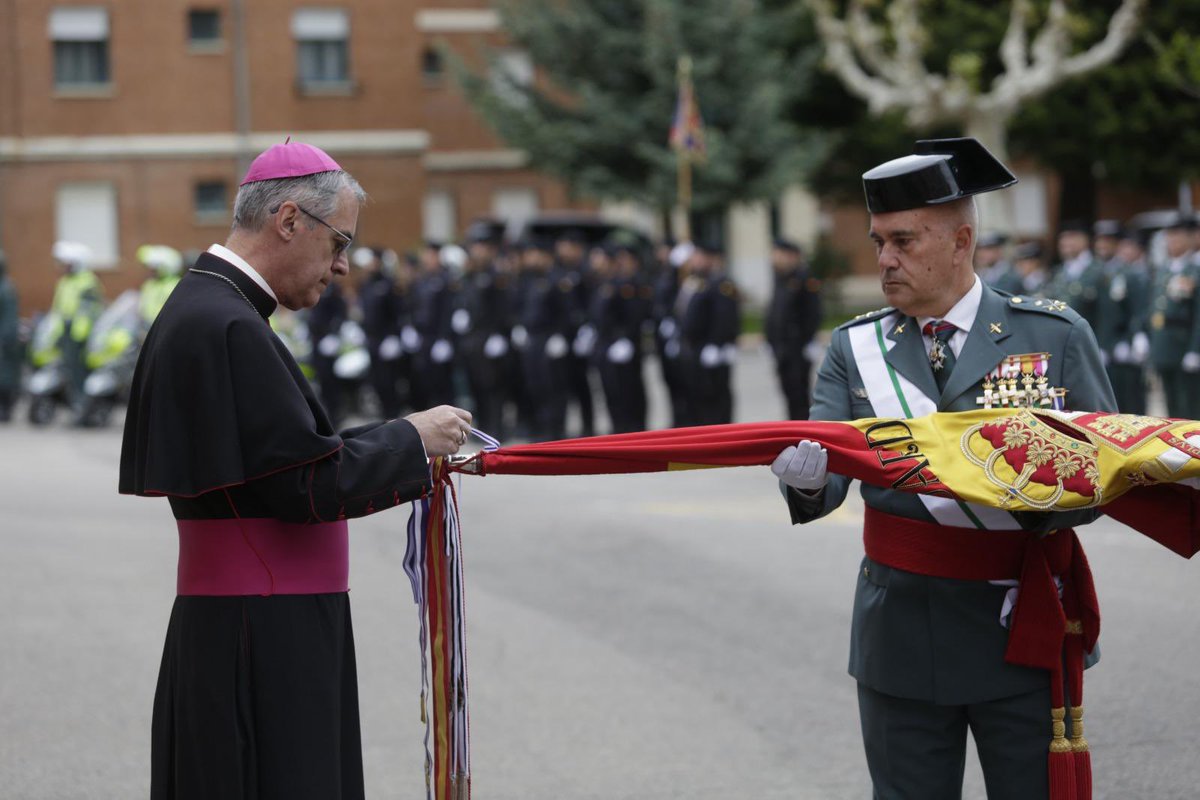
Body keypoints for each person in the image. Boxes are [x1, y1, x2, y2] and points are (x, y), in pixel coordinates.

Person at [118, 141, 473, 800]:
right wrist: (409, 439)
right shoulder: (228, 324)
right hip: (263, 633)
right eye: (338, 242)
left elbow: (287, 455)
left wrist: (402, 437)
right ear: (289, 221)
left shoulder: (211, 310)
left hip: (250, 622)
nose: (341, 266)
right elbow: (302, 486)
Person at [771, 138, 1116, 799]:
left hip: (1018, 624)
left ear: (961, 241)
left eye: (904, 240)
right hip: (902, 629)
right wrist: (807, 479)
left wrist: (1032, 486)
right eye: (877, 242)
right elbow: (827, 484)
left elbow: (1104, 476)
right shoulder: (855, 349)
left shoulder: (1054, 335)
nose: (885, 260)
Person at [1093, 222, 1150, 414]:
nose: (1102, 245)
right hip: (1104, 346)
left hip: (1125, 348)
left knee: (1131, 402)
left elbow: (1138, 309)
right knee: (1110, 402)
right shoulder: (1096, 272)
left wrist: (1131, 339)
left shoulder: (1129, 274)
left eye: (1107, 241)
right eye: (1099, 240)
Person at [1148, 211, 1200, 418]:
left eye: (1178, 235)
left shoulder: (1194, 269)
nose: (1173, 241)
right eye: (1170, 236)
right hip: (1165, 347)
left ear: (1190, 237)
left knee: (1190, 405)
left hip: (1185, 346)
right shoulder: (1165, 270)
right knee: (1171, 407)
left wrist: (1196, 350)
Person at [765, 238, 823, 420]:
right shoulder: (781, 278)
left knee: (799, 397)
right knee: (788, 394)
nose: (775, 258)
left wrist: (808, 341)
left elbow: (813, 314)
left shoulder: (805, 279)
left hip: (797, 348)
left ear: (792, 256)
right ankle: (794, 430)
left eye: (779, 254)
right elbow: (775, 312)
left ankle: (804, 435)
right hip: (782, 349)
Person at [49, 240, 103, 412]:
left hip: (81, 336)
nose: (63, 267)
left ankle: (83, 406)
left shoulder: (88, 282)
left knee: (79, 372)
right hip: (66, 334)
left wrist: (80, 335)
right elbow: (58, 309)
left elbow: (90, 312)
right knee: (69, 370)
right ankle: (75, 404)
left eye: (67, 263)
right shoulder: (65, 282)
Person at [136, 244, 184, 326]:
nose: (152, 270)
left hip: (163, 326)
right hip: (145, 326)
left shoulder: (175, 284)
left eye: (155, 268)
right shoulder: (149, 284)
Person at [0, 251, 20, 422]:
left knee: (5, 375)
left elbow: (9, 317)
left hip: (5, 341)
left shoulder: (5, 289)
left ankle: (6, 408)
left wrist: (5, 338)